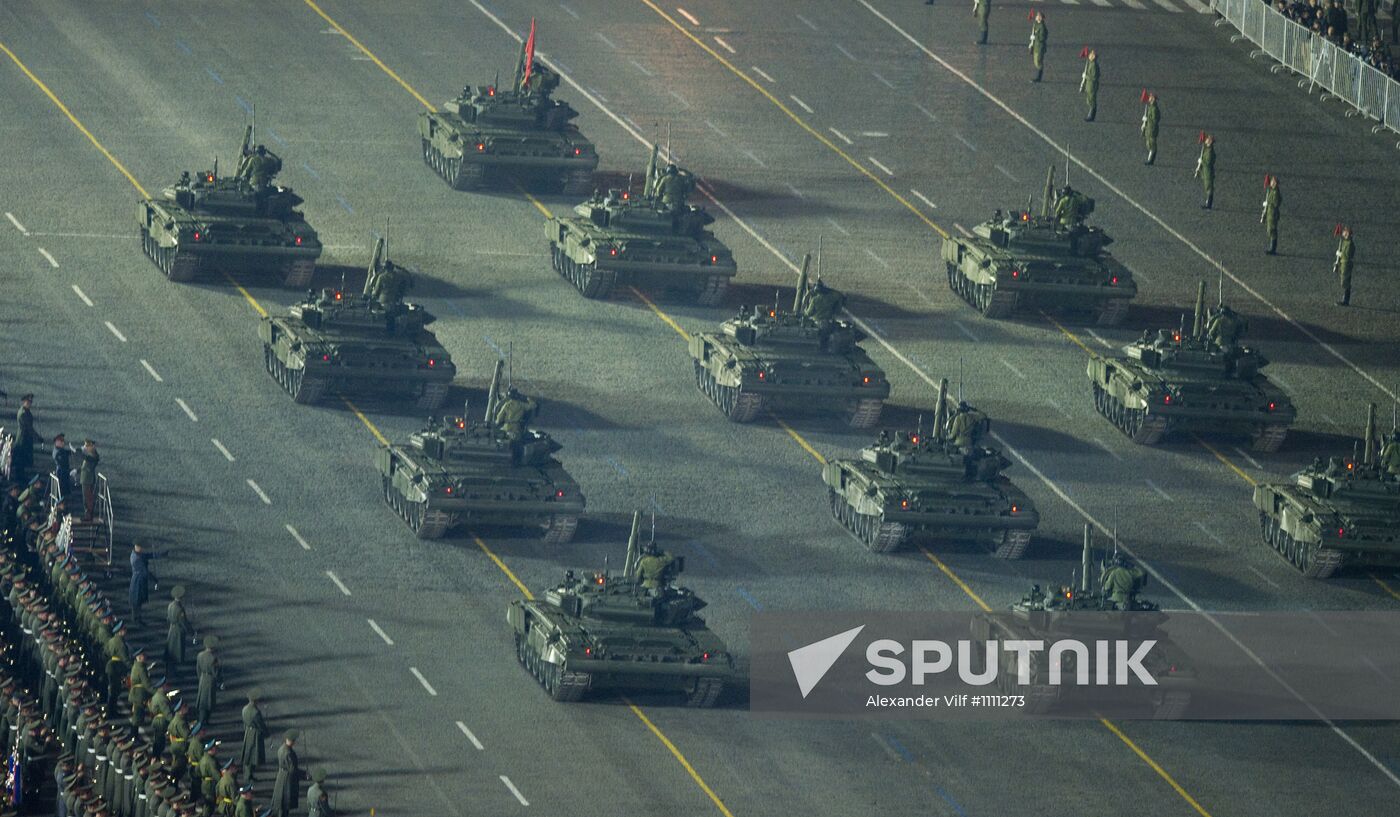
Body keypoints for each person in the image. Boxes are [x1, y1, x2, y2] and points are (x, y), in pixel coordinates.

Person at [271, 730, 301, 817]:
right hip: (287, 779)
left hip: (282, 775)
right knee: (285, 803)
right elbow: (292, 769)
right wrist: (303, 774)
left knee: (282, 803)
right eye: (293, 740)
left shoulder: (282, 748)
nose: (294, 742)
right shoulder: (288, 753)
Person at [240, 688, 267, 784]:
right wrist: (266, 733)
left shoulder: (245, 709)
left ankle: (248, 774)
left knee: (248, 754)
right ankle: (248, 775)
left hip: (248, 731)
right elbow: (261, 725)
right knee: (252, 756)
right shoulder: (255, 712)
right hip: (255, 734)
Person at [196, 635, 222, 727]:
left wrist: (201, 678)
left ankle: (202, 720)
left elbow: (198, 669)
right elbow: (215, 672)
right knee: (208, 701)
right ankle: (204, 721)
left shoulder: (200, 655)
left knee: (202, 700)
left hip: (203, 678)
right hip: (210, 680)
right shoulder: (213, 658)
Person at [165, 586, 193, 667]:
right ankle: (177, 663)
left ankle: (170, 661)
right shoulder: (179, 609)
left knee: (171, 646)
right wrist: (191, 632)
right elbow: (184, 622)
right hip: (178, 629)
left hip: (172, 628)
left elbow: (168, 617)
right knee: (178, 647)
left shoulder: (170, 605)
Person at [129, 542, 155, 626]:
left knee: (138, 601)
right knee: (136, 601)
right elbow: (145, 572)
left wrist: (158, 554)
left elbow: (148, 555)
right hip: (137, 582)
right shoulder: (136, 558)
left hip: (139, 581)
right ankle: (136, 619)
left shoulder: (137, 555)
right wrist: (154, 579)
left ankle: (138, 618)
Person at [13, 394, 36, 482]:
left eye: (30, 402)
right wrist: (37, 437)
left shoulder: (25, 411)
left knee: (22, 460)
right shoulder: (23, 413)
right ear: (24, 402)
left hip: (25, 438)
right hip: (23, 439)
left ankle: (21, 476)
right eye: (28, 402)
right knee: (20, 459)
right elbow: (28, 428)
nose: (30, 404)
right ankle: (19, 478)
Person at [78, 439, 99, 521]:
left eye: (87, 446)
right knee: (86, 498)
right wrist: (77, 470)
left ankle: (88, 516)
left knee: (88, 499)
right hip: (85, 479)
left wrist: (79, 451)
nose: (85, 447)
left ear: (92, 446)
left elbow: (88, 460)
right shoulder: (90, 455)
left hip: (88, 480)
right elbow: (85, 466)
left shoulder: (93, 455)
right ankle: (88, 514)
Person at [1334, 225, 1355, 305]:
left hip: (1346, 264)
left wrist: (1340, 254)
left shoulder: (1349, 244)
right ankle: (1345, 300)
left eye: (1344, 231)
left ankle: (1345, 300)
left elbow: (1347, 255)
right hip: (1343, 263)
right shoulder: (1344, 242)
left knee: (1345, 282)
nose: (1342, 232)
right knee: (1344, 281)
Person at [1195, 134, 1216, 209]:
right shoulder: (1207, 149)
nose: (1206, 140)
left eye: (1207, 139)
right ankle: (1208, 202)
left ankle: (1209, 204)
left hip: (1208, 172)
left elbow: (1208, 161)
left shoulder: (1210, 151)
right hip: (1206, 171)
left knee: (1209, 187)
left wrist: (1202, 161)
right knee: (1207, 187)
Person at [1262, 176, 1282, 255]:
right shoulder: (1272, 191)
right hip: (1270, 213)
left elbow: (1276, 203)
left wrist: (1269, 203)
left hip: (1273, 214)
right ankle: (1272, 248)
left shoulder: (1276, 192)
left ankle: (1273, 249)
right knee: (1269, 230)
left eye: (1272, 181)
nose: (1271, 182)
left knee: (1272, 230)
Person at [51, 434, 73, 501]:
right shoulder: (58, 452)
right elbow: (63, 463)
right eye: (61, 441)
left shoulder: (59, 450)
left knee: (63, 490)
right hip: (62, 473)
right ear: (57, 442)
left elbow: (66, 452)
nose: (63, 443)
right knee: (61, 490)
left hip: (63, 472)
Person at [1080, 49, 1099, 121]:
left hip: (1092, 85)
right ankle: (1090, 114)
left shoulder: (1094, 65)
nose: (1089, 55)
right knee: (1089, 99)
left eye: (1091, 54)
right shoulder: (1090, 63)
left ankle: (1091, 115)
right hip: (1089, 85)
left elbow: (1094, 77)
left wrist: (1086, 76)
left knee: (1092, 99)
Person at [1028, 11, 1048, 82]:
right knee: (1036, 61)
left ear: (1041, 18)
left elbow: (1042, 38)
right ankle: (1038, 76)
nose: (1037, 17)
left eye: (1038, 16)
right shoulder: (1036, 24)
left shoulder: (1042, 27)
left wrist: (1035, 36)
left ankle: (1039, 77)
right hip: (1036, 46)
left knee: (1038, 62)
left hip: (1040, 47)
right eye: (1037, 16)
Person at [1141, 92, 1159, 165]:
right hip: (1149, 128)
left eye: (1150, 97)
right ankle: (1150, 160)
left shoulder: (1154, 109)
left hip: (1152, 129)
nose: (1149, 98)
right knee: (1149, 144)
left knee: (1152, 145)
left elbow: (1155, 120)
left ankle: (1150, 160)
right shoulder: (1150, 107)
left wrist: (1147, 119)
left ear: (1153, 99)